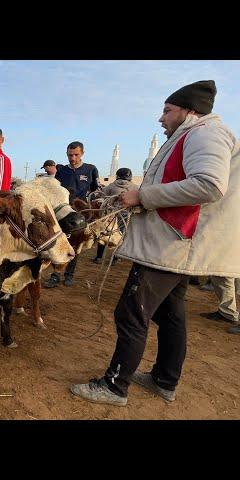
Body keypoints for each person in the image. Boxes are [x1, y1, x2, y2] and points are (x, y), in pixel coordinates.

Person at [70, 79, 240, 406]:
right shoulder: (193, 135)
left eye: (167, 110)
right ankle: (165, 380)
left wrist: (141, 195)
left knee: (131, 312)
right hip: (174, 246)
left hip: (169, 246)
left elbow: (209, 186)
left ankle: (114, 386)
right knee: (170, 314)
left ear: (189, 111)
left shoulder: (204, 134)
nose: (161, 118)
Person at [43, 141, 100, 288]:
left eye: (76, 155)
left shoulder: (91, 169)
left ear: (82, 153)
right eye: (70, 155)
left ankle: (69, 275)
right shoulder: (61, 171)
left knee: (76, 245)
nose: (73, 158)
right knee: (60, 242)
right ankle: (55, 275)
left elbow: (95, 191)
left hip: (80, 214)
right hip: (63, 213)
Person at [92, 167, 139, 264]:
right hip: (126, 216)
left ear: (117, 175)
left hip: (110, 215)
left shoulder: (111, 186)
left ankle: (99, 257)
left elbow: (102, 198)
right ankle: (115, 258)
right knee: (120, 236)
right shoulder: (135, 188)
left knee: (104, 234)